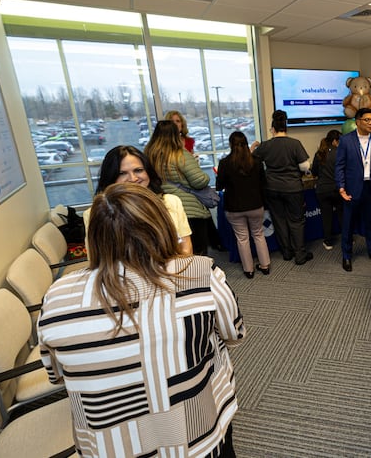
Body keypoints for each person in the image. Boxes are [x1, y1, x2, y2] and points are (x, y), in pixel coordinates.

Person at [38, 183, 246, 457]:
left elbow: (56, 373)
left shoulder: (58, 296)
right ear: (162, 226)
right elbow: (234, 333)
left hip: (110, 446)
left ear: (94, 236)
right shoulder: (199, 275)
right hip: (198, 436)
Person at [83, 145, 192, 256]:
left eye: (138, 170)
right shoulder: (94, 213)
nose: (133, 178)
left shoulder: (171, 202)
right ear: (110, 177)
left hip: (174, 270)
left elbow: (186, 248)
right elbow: (97, 259)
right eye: (122, 173)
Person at [252, 110, 313, 265]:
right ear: (286, 127)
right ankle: (300, 255)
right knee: (296, 221)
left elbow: (253, 160)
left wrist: (253, 148)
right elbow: (304, 166)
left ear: (273, 129)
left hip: (272, 188)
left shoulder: (266, 145)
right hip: (293, 188)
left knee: (279, 220)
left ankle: (286, 252)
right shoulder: (294, 143)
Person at [145, 120, 214, 255]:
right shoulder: (180, 154)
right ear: (176, 135)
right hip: (189, 209)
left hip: (163, 207)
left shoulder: (149, 155)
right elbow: (199, 181)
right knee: (197, 252)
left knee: (175, 253)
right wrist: (205, 175)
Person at [335, 107, 371, 272]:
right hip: (352, 189)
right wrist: (341, 188)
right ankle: (346, 256)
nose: (370, 122)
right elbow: (340, 166)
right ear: (357, 122)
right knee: (348, 224)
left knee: (370, 223)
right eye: (367, 120)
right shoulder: (346, 140)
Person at [216, 131, 270, 278]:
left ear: (230, 145)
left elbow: (219, 186)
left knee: (242, 238)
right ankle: (265, 266)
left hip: (234, 207)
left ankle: (249, 270)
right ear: (247, 144)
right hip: (256, 205)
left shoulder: (224, 163)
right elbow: (263, 184)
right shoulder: (256, 161)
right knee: (258, 234)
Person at [312, 129, 342, 251]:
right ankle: (348, 238)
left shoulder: (319, 153)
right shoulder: (340, 153)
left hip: (322, 190)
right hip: (337, 189)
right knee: (342, 215)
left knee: (326, 217)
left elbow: (314, 172)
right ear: (335, 141)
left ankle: (328, 242)